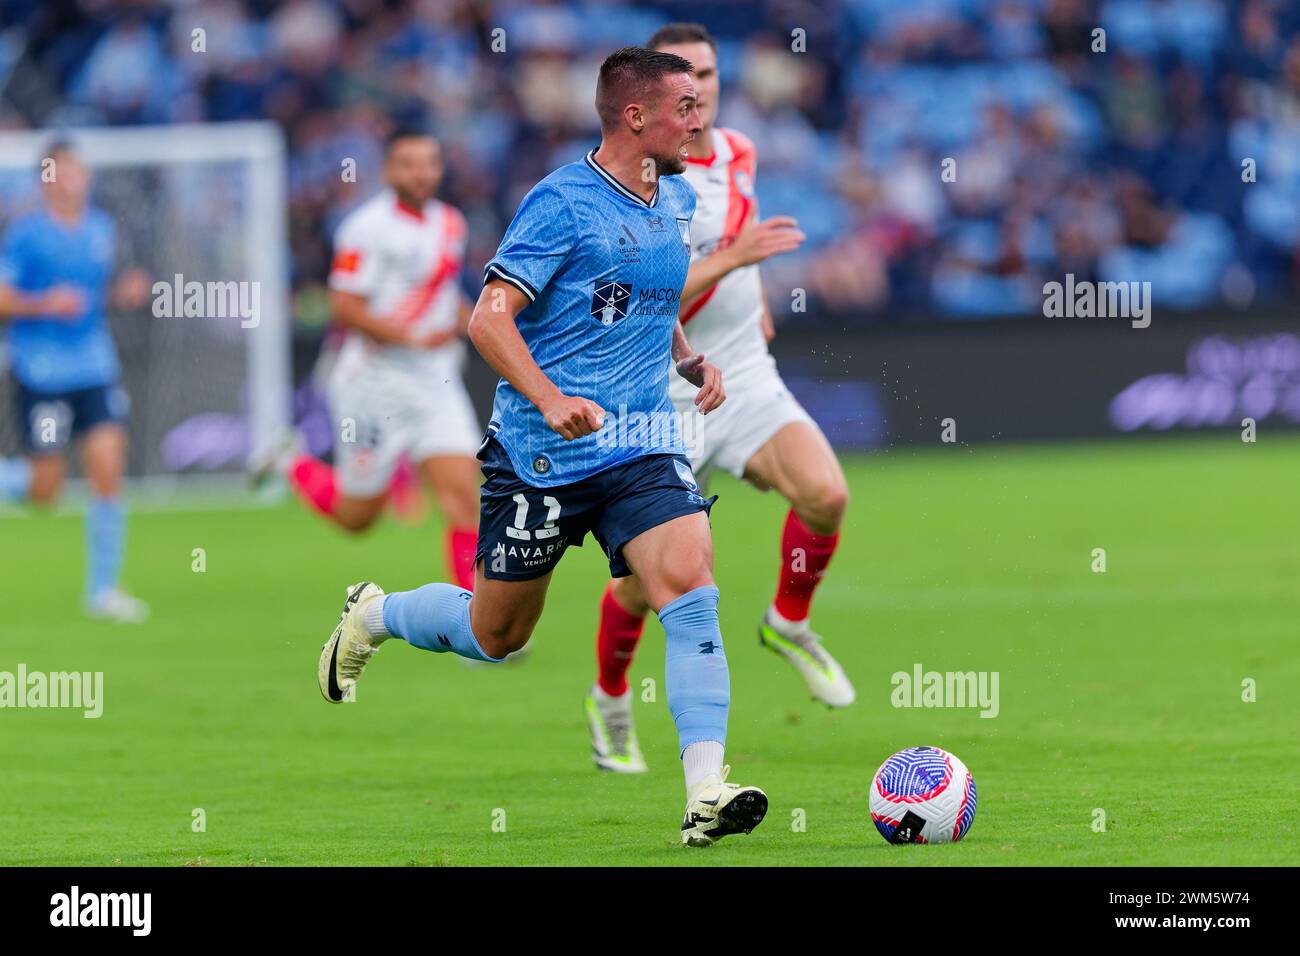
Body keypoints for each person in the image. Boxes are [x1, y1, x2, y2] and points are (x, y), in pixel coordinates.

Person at [317, 47, 768, 847]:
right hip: (542, 454)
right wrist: (551, 398)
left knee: (692, 586)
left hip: (640, 442)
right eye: (687, 107)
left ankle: (707, 791)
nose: (701, 121)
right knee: (498, 636)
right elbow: (488, 318)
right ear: (636, 116)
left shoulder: (674, 196)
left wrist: (688, 356)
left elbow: (652, 297)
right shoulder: (560, 202)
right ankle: (374, 615)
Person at [585, 24, 855, 774]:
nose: (696, 91)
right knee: (646, 589)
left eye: (706, 73)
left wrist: (752, 290)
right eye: (682, 79)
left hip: (741, 370)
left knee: (826, 495)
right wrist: (734, 260)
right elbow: (645, 288)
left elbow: (739, 237)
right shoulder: (640, 178)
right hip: (659, 393)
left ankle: (787, 621)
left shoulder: (738, 150)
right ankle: (609, 698)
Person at [262, 130, 481, 589]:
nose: (420, 173)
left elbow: (446, 299)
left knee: (466, 497)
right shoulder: (365, 227)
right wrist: (411, 337)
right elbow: (344, 306)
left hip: (435, 379)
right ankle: (291, 462)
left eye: (428, 163)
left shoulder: (451, 224)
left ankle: (475, 628)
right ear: (388, 170)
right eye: (408, 163)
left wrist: (479, 323)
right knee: (357, 517)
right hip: (374, 383)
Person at [0, 140, 151, 622]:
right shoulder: (26, 233)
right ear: (47, 179)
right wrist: (45, 303)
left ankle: (102, 590)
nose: (75, 179)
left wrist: (123, 291)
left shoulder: (102, 229)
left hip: (94, 368)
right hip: (42, 372)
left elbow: (97, 292)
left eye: (79, 170)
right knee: (47, 489)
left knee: (108, 469)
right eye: (64, 171)